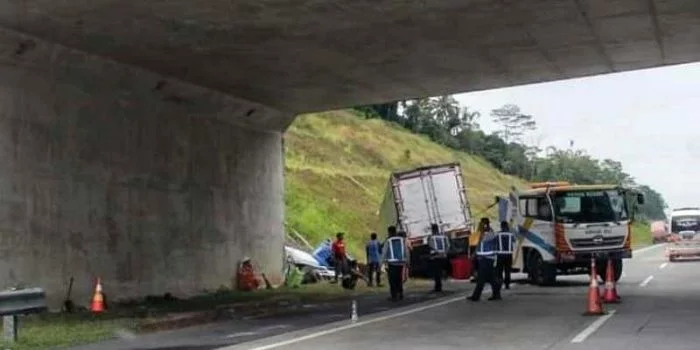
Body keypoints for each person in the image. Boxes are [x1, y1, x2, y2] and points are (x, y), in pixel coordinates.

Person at [467, 221, 501, 301]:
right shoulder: (483, 235)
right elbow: (479, 245)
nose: (479, 226)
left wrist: (485, 230)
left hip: (487, 259)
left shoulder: (490, 235)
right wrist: (474, 255)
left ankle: (475, 297)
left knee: (481, 278)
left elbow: (484, 240)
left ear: (485, 226)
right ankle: (496, 294)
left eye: (481, 225)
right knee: (491, 278)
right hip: (483, 259)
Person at [382, 226, 408, 301]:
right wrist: (407, 261)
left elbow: (384, 252)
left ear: (389, 232)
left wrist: (382, 263)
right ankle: (400, 293)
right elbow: (406, 251)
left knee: (392, 280)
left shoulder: (388, 240)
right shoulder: (401, 239)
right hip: (400, 263)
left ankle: (394, 295)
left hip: (392, 263)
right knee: (399, 278)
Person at [428, 223, 450, 292]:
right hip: (443, 256)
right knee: (440, 271)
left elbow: (431, 246)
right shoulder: (443, 236)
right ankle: (440, 285)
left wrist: (436, 252)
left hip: (435, 256)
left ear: (432, 230)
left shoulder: (431, 237)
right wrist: (444, 252)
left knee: (436, 273)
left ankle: (438, 287)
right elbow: (448, 245)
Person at [496, 221, 516, 290]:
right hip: (509, 254)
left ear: (501, 226)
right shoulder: (511, 234)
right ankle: (507, 285)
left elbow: (495, 242)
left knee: (499, 271)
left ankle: (499, 284)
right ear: (507, 226)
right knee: (507, 270)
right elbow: (514, 241)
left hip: (500, 254)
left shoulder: (498, 234)